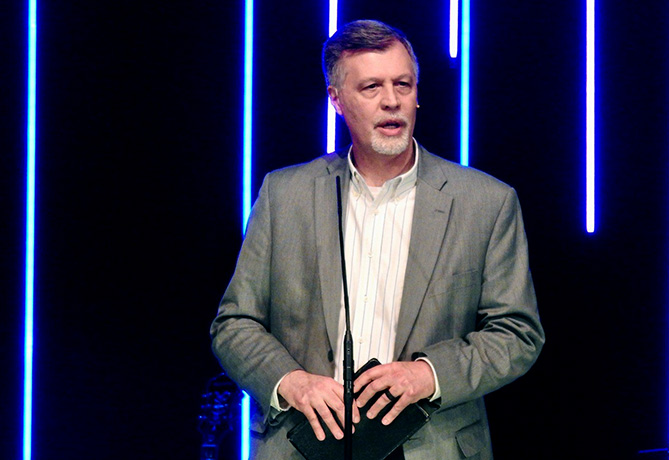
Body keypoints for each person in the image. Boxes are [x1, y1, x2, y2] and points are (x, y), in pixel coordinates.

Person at [211, 19, 544, 460]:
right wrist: (290, 382)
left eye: (403, 84)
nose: (392, 101)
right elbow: (235, 324)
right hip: (303, 444)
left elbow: (517, 333)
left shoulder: (486, 202)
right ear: (336, 100)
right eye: (371, 87)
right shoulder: (284, 194)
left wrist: (429, 375)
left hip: (434, 447)